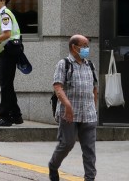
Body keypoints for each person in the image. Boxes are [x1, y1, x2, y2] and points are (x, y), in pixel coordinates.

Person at [49, 35, 99, 181]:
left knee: (89, 149)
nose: (86, 49)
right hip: (69, 114)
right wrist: (68, 105)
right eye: (83, 45)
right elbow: (57, 87)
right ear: (73, 47)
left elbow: (95, 88)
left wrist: (93, 107)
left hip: (88, 114)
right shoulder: (64, 64)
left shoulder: (90, 65)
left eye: (87, 45)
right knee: (67, 144)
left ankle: (90, 178)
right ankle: (53, 165)